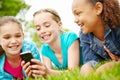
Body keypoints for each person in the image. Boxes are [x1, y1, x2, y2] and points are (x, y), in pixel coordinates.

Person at [22, 8, 80, 78]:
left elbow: (73, 72)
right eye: (38, 28)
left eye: (47, 26)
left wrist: (48, 72)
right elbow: (48, 75)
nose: (42, 31)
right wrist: (35, 74)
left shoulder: (70, 38)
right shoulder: (45, 49)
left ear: (59, 25)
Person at [72, 0, 120, 76]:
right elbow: (90, 60)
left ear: (98, 8)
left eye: (78, 14)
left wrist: (113, 65)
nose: (75, 20)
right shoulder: (84, 35)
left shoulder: (117, 26)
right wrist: (86, 68)